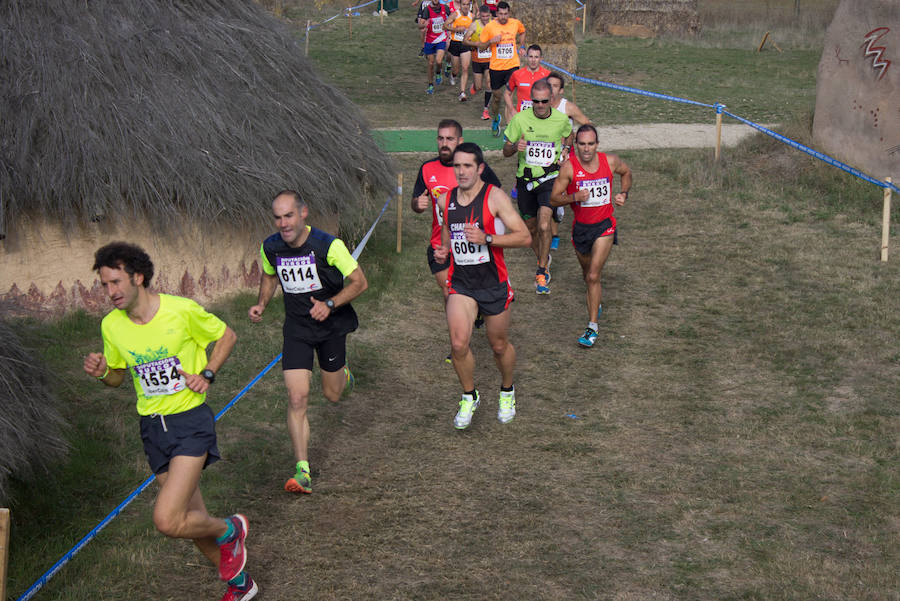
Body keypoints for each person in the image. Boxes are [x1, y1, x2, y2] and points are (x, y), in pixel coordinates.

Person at [83, 242, 256, 601]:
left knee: (167, 519)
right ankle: (241, 586)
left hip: (190, 422)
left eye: (116, 282)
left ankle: (230, 529)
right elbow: (117, 377)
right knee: (189, 522)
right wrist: (103, 373)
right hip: (152, 429)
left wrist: (206, 373)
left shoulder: (181, 310)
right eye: (105, 285)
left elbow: (227, 336)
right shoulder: (111, 326)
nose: (111, 292)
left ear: (138, 277)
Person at [248, 190, 368, 494]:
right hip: (297, 329)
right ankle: (303, 471)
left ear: (303, 213)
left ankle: (343, 375)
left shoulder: (328, 246)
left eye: (288, 215)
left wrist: (329, 305)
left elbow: (360, 282)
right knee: (297, 398)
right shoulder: (271, 247)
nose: (283, 223)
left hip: (331, 327)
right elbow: (269, 275)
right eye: (277, 217)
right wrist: (262, 303)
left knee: (332, 395)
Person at [433, 142, 532, 429]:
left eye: (467, 166)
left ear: (480, 168)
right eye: (457, 166)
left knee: (498, 345)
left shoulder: (495, 198)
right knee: (458, 343)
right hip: (461, 283)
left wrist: (487, 238)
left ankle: (507, 390)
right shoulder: (446, 200)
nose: (461, 171)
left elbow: (524, 237)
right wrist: (444, 249)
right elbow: (447, 232)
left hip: (493, 282)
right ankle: (469, 395)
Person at [411, 119, 502, 361]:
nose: (444, 143)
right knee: (449, 290)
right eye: (440, 138)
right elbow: (416, 199)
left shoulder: (472, 167)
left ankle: (470, 320)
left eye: (450, 139)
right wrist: (417, 205)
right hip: (441, 244)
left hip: (473, 244)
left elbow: (496, 194)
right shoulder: (427, 169)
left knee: (466, 291)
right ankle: (459, 343)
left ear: (460, 141)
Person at [550, 124, 632, 347]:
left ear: (597, 144)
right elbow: (554, 199)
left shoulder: (610, 161)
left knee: (594, 275)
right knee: (587, 276)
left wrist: (624, 193)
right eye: (582, 144)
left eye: (591, 144)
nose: (586, 149)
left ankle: (591, 327)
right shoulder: (568, 168)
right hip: (581, 230)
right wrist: (574, 196)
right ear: (576, 145)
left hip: (605, 226)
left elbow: (626, 172)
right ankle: (595, 300)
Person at [502, 78, 572, 294]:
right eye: (536, 102)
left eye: (544, 101)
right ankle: (545, 257)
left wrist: (566, 151)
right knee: (531, 230)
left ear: (551, 99)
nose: (540, 105)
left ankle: (541, 271)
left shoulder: (561, 120)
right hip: (525, 180)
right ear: (531, 100)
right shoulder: (520, 119)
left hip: (550, 178)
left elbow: (569, 136)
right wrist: (515, 146)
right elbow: (505, 151)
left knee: (544, 224)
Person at [546, 71, 593, 250]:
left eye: (555, 86)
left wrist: (584, 145)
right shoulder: (540, 105)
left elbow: (586, 125)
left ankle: (557, 227)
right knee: (550, 193)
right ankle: (555, 232)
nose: (551, 89)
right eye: (548, 85)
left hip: (565, 156)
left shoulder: (568, 108)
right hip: (545, 156)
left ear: (562, 90)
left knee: (560, 194)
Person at [479, 1, 526, 136]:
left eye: (506, 14)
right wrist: (490, 42)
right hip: (496, 67)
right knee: (497, 97)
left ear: (509, 13)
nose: (503, 17)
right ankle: (495, 119)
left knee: (509, 94)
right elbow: (481, 46)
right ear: (496, 13)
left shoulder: (515, 23)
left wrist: (521, 46)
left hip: (512, 65)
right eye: (500, 14)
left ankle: (510, 127)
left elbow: (522, 32)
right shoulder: (490, 27)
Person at [462, 4, 494, 120]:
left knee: (489, 83)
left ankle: (485, 110)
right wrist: (476, 44)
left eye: (487, 16)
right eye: (483, 16)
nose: (485, 19)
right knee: (479, 86)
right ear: (479, 15)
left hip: (490, 60)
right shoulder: (474, 25)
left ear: (490, 15)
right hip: (477, 60)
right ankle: (475, 86)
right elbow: (464, 41)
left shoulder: (494, 24)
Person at [418, 0, 454, 94]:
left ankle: (438, 73)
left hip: (441, 39)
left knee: (438, 61)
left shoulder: (444, 8)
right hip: (429, 40)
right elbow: (420, 25)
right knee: (430, 64)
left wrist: (449, 30)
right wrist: (424, 24)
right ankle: (430, 85)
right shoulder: (427, 10)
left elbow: (451, 19)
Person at [505, 44, 551, 115]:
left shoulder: (548, 75)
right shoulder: (517, 74)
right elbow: (507, 94)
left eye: (536, 57)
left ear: (541, 59)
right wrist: (512, 110)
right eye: (530, 56)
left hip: (541, 116)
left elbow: (554, 96)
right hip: (522, 116)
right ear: (526, 57)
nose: (533, 60)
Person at [447, 0, 474, 101]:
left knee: (465, 68)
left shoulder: (472, 16)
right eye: (464, 4)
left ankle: (462, 92)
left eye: (468, 4)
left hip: (466, 44)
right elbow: (444, 26)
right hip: (455, 43)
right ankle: (453, 75)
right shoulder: (455, 14)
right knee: (456, 69)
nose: (466, 6)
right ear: (460, 5)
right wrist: (456, 30)